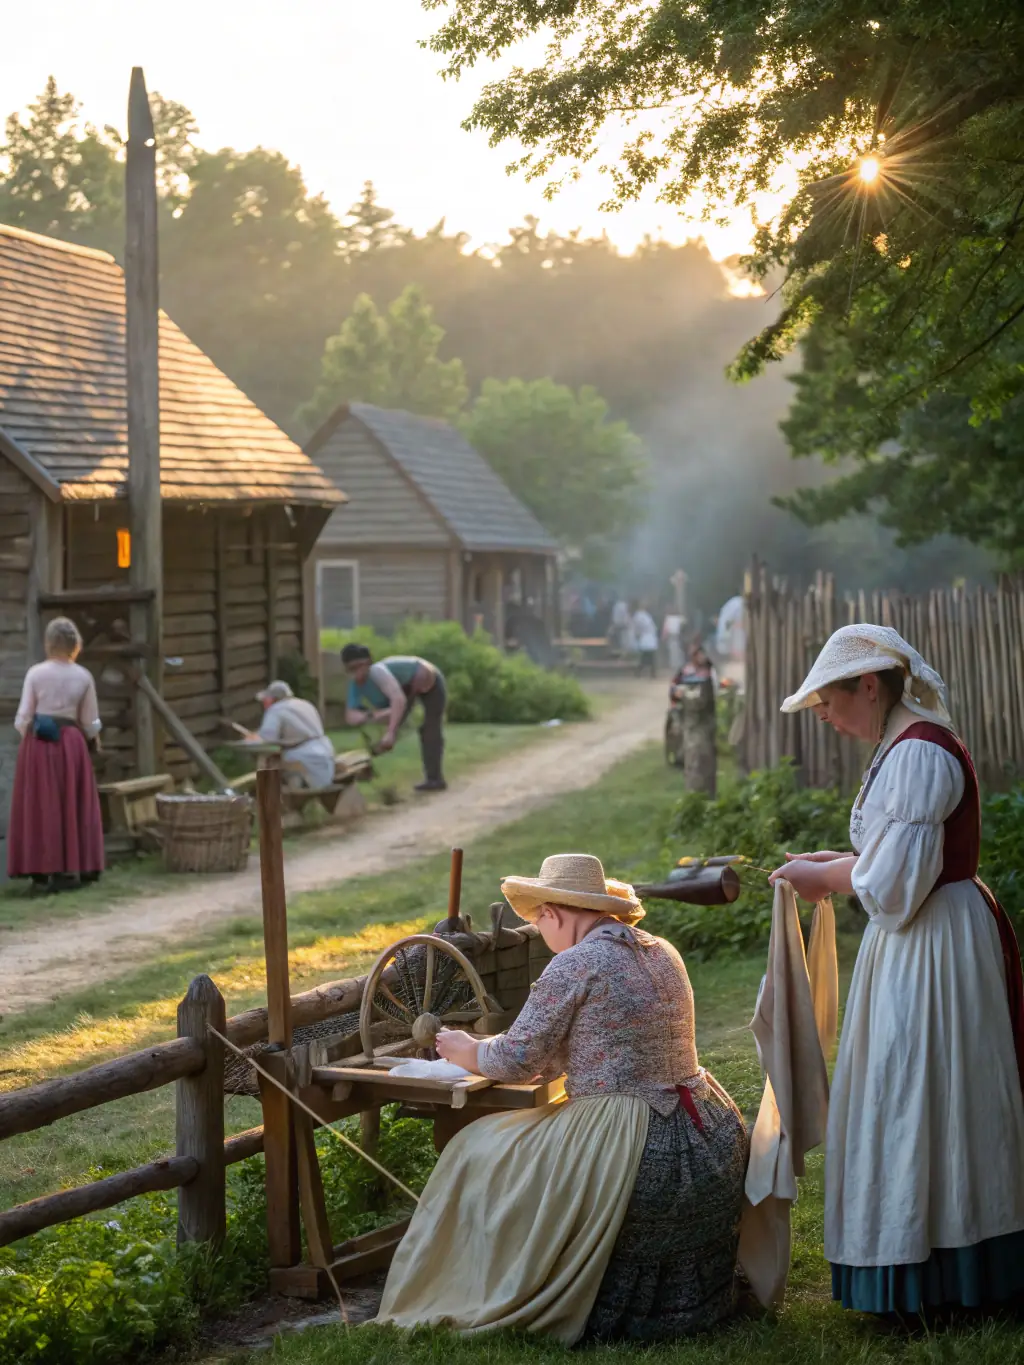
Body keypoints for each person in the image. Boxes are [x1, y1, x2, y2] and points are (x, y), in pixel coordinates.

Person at [374, 853, 748, 1343]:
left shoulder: (575, 963)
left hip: (635, 1138)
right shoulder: (662, 951)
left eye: (536, 922)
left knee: (476, 1148)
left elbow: (515, 1060)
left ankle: (491, 1277)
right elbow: (608, 1034)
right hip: (708, 1130)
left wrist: (466, 1049)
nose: (540, 933)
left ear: (553, 913)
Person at [769, 624, 1024, 1316]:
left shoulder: (919, 752)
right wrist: (831, 865)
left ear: (871, 685)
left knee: (926, 1085)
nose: (824, 714)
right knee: (910, 1084)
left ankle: (947, 1271)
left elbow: (896, 886)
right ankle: (923, 1262)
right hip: (918, 937)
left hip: (934, 941)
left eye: (829, 700)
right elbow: (891, 856)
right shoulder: (898, 744)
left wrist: (828, 880)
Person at [7, 616, 104, 894]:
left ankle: (40, 871)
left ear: (49, 643)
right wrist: (92, 740)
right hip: (72, 743)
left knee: (40, 805)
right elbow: (90, 722)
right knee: (72, 803)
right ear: (75, 645)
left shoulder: (36, 674)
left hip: (39, 743)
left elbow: (22, 719)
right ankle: (73, 867)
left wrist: (33, 744)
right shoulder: (83, 676)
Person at [342, 645, 447, 792]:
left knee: (430, 729)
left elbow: (398, 700)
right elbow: (350, 716)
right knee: (377, 736)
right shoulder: (355, 685)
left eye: (359, 667)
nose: (356, 673)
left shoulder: (377, 673)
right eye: (351, 669)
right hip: (403, 691)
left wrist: (391, 732)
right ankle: (366, 771)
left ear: (368, 664)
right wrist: (371, 716)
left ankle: (434, 779)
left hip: (427, 679)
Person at [244, 681, 335, 789]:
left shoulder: (276, 710)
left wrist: (251, 739)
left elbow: (267, 738)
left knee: (268, 765)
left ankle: (269, 798)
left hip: (302, 756)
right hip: (326, 750)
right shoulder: (305, 704)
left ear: (273, 698)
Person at [632, 601, 658, 678]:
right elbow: (638, 628)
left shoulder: (646, 615)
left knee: (649, 657)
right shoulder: (638, 615)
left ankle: (650, 673)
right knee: (646, 658)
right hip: (645, 638)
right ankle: (641, 672)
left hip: (650, 638)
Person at [661, 608, 685, 674]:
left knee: (673, 651)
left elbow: (665, 629)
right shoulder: (678, 618)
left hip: (673, 636)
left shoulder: (669, 618)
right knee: (675, 650)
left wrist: (664, 637)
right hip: (674, 636)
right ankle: (676, 665)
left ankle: (675, 665)